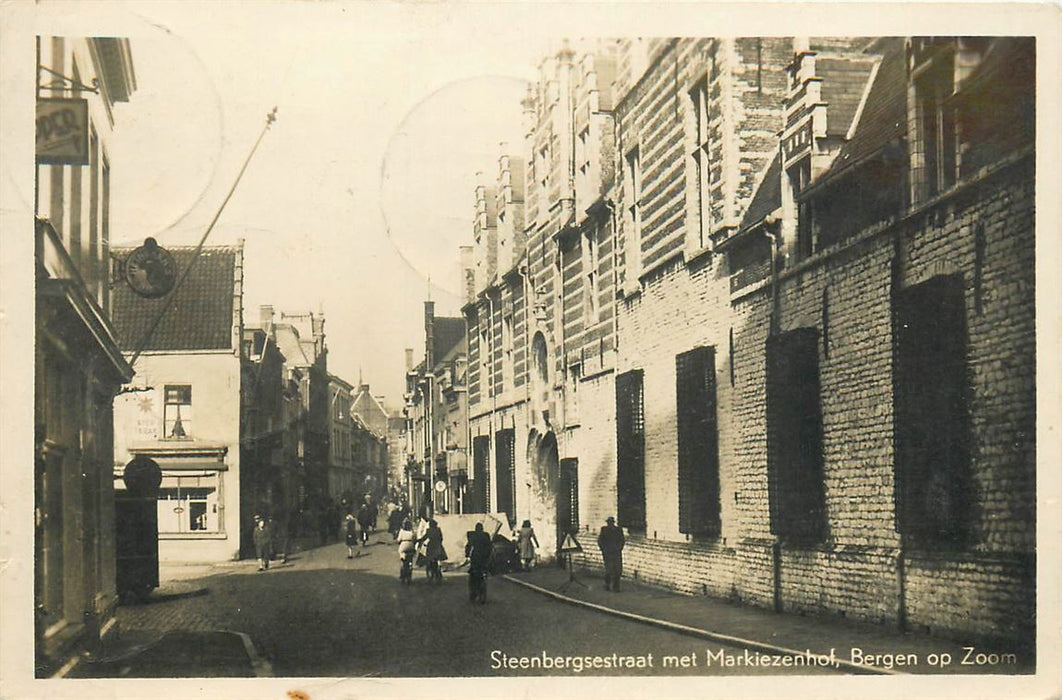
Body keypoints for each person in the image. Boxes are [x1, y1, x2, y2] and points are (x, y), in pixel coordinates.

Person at [465, 522, 493, 603]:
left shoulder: (473, 535)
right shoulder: (486, 535)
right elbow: (490, 546)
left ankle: (473, 593)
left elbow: (469, 545)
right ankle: (482, 592)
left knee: (472, 575)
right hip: (484, 557)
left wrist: (467, 554)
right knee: (483, 572)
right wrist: (489, 556)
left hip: (476, 557)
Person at [597, 516, 626, 592]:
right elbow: (600, 541)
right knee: (609, 570)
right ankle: (607, 584)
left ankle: (616, 587)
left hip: (616, 552)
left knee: (617, 570)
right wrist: (604, 549)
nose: (610, 524)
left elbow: (622, 540)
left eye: (611, 522)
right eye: (609, 523)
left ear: (613, 523)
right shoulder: (604, 530)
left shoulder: (619, 530)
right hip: (607, 553)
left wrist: (619, 548)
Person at [416, 518, 445, 583]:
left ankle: (431, 575)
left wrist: (418, 540)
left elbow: (425, 537)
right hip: (438, 547)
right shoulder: (438, 530)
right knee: (437, 560)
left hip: (431, 547)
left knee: (429, 560)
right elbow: (441, 538)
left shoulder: (429, 530)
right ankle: (438, 574)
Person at [396, 518, 416, 584]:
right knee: (410, 560)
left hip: (404, 546)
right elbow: (414, 539)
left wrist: (398, 542)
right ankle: (409, 572)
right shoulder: (412, 531)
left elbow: (398, 539)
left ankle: (402, 574)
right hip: (411, 545)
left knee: (403, 561)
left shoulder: (402, 531)